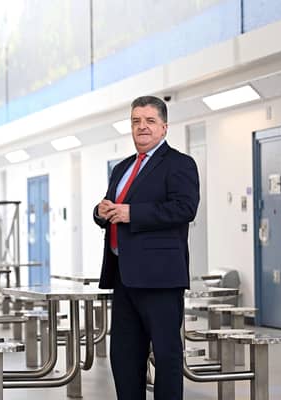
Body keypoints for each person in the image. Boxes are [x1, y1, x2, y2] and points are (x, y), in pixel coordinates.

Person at [94, 95, 199, 400]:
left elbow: (184, 208)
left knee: (166, 357)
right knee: (125, 358)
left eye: (150, 121)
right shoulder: (122, 168)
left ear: (164, 127)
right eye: (136, 121)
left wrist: (131, 213)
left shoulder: (179, 164)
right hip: (123, 277)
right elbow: (112, 206)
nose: (142, 127)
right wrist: (101, 212)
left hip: (160, 278)